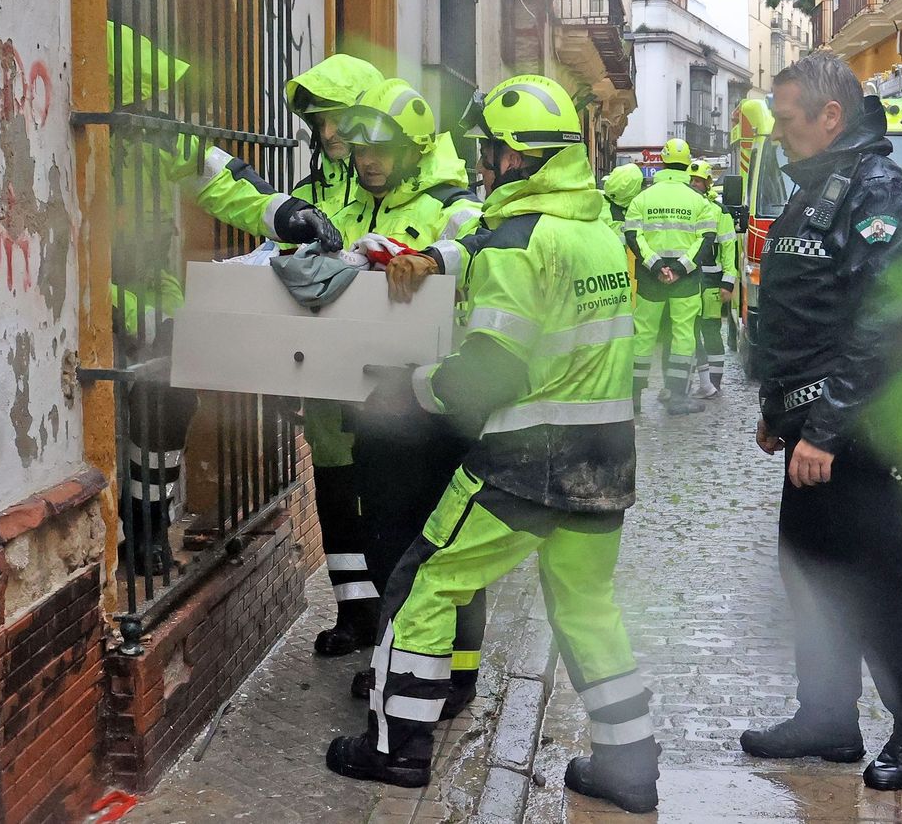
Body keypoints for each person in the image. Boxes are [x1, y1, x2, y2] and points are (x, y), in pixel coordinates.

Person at [324, 75, 660, 814]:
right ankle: (629, 767)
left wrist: (411, 388)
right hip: (606, 453)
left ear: (514, 158)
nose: (479, 162)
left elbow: (492, 371)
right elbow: (492, 249)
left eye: (488, 151)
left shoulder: (519, 241)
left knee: (424, 580)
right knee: (587, 606)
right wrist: (433, 258)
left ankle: (394, 750)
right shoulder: (594, 227)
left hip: (529, 458)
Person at [741, 53, 902, 791]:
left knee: (871, 584)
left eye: (788, 117)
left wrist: (825, 430)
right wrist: (780, 410)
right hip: (812, 426)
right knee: (807, 573)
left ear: (830, 117)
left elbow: (879, 327)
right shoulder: (817, 189)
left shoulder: (882, 192)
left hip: (866, 429)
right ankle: (828, 718)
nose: (777, 132)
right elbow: (801, 312)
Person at [181, 52, 388, 653]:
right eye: (320, 123)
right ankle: (354, 611)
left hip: (388, 386)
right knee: (333, 487)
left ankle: (393, 620)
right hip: (324, 377)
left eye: (339, 121)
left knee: (382, 496)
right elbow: (275, 272)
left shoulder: (404, 187)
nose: (328, 136)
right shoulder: (305, 195)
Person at [324, 77, 487, 709]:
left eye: (383, 148)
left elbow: (479, 246)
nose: (368, 159)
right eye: (361, 148)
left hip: (441, 406)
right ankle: (403, 664)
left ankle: (455, 676)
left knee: (446, 546)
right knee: (387, 541)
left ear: (416, 147)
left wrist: (430, 257)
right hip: (377, 402)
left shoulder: (454, 201)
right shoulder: (360, 208)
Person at [624, 139, 719, 415]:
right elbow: (706, 239)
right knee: (683, 334)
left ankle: (634, 398)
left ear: (663, 163)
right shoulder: (699, 201)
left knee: (643, 334)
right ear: (688, 165)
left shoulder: (642, 198)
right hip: (686, 280)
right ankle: (677, 397)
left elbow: (633, 236)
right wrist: (680, 268)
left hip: (650, 278)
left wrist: (656, 266)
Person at [686, 160, 738, 399]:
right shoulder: (686, 208)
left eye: (699, 180)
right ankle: (698, 381)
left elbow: (729, 248)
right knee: (690, 332)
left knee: (711, 330)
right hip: (690, 279)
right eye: (692, 180)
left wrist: (728, 282)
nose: (695, 184)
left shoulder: (720, 211)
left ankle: (714, 381)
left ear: (707, 183)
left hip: (713, 281)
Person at [603, 163, 646, 235]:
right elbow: (628, 231)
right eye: (639, 185)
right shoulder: (609, 215)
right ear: (630, 191)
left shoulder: (601, 205)